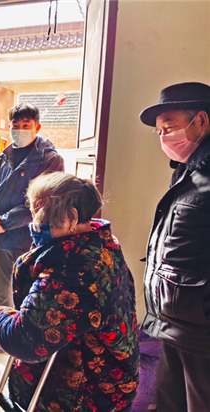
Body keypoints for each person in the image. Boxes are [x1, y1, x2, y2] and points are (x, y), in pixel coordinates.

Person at [0, 172, 140, 412]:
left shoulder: (75, 269)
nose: (36, 221)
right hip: (106, 377)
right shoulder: (101, 240)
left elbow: (26, 339)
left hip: (87, 393)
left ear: (72, 217)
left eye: (42, 212)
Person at [139, 82, 210, 412]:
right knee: (169, 401)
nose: (164, 137)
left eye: (168, 127)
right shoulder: (187, 171)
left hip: (201, 334)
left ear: (201, 121)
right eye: (159, 131)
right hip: (175, 325)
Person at [0, 102, 64, 358]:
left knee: (28, 295)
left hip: (29, 240)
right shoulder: (3, 156)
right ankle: (0, 339)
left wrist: (4, 222)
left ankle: (26, 347)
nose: (20, 130)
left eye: (26, 125)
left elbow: (42, 202)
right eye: (15, 125)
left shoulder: (50, 159)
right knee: (1, 291)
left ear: (37, 127)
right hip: (0, 239)